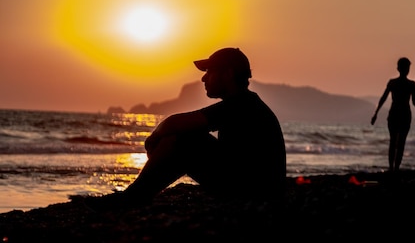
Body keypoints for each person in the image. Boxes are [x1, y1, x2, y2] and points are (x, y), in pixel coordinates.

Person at [84, 47, 287, 211]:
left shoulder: (241, 104)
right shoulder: (245, 104)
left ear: (228, 73)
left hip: (253, 193)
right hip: (256, 189)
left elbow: (174, 124)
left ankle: (135, 196)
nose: (203, 78)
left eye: (209, 71)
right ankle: (138, 195)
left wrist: (153, 139)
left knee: (185, 138)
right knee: (186, 137)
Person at [371, 57, 415, 172]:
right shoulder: (410, 84)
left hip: (395, 113)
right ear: (407, 69)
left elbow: (383, 98)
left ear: (398, 68)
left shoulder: (394, 83)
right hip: (403, 113)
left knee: (394, 141)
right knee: (400, 142)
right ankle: (395, 167)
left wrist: (376, 113)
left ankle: (392, 167)